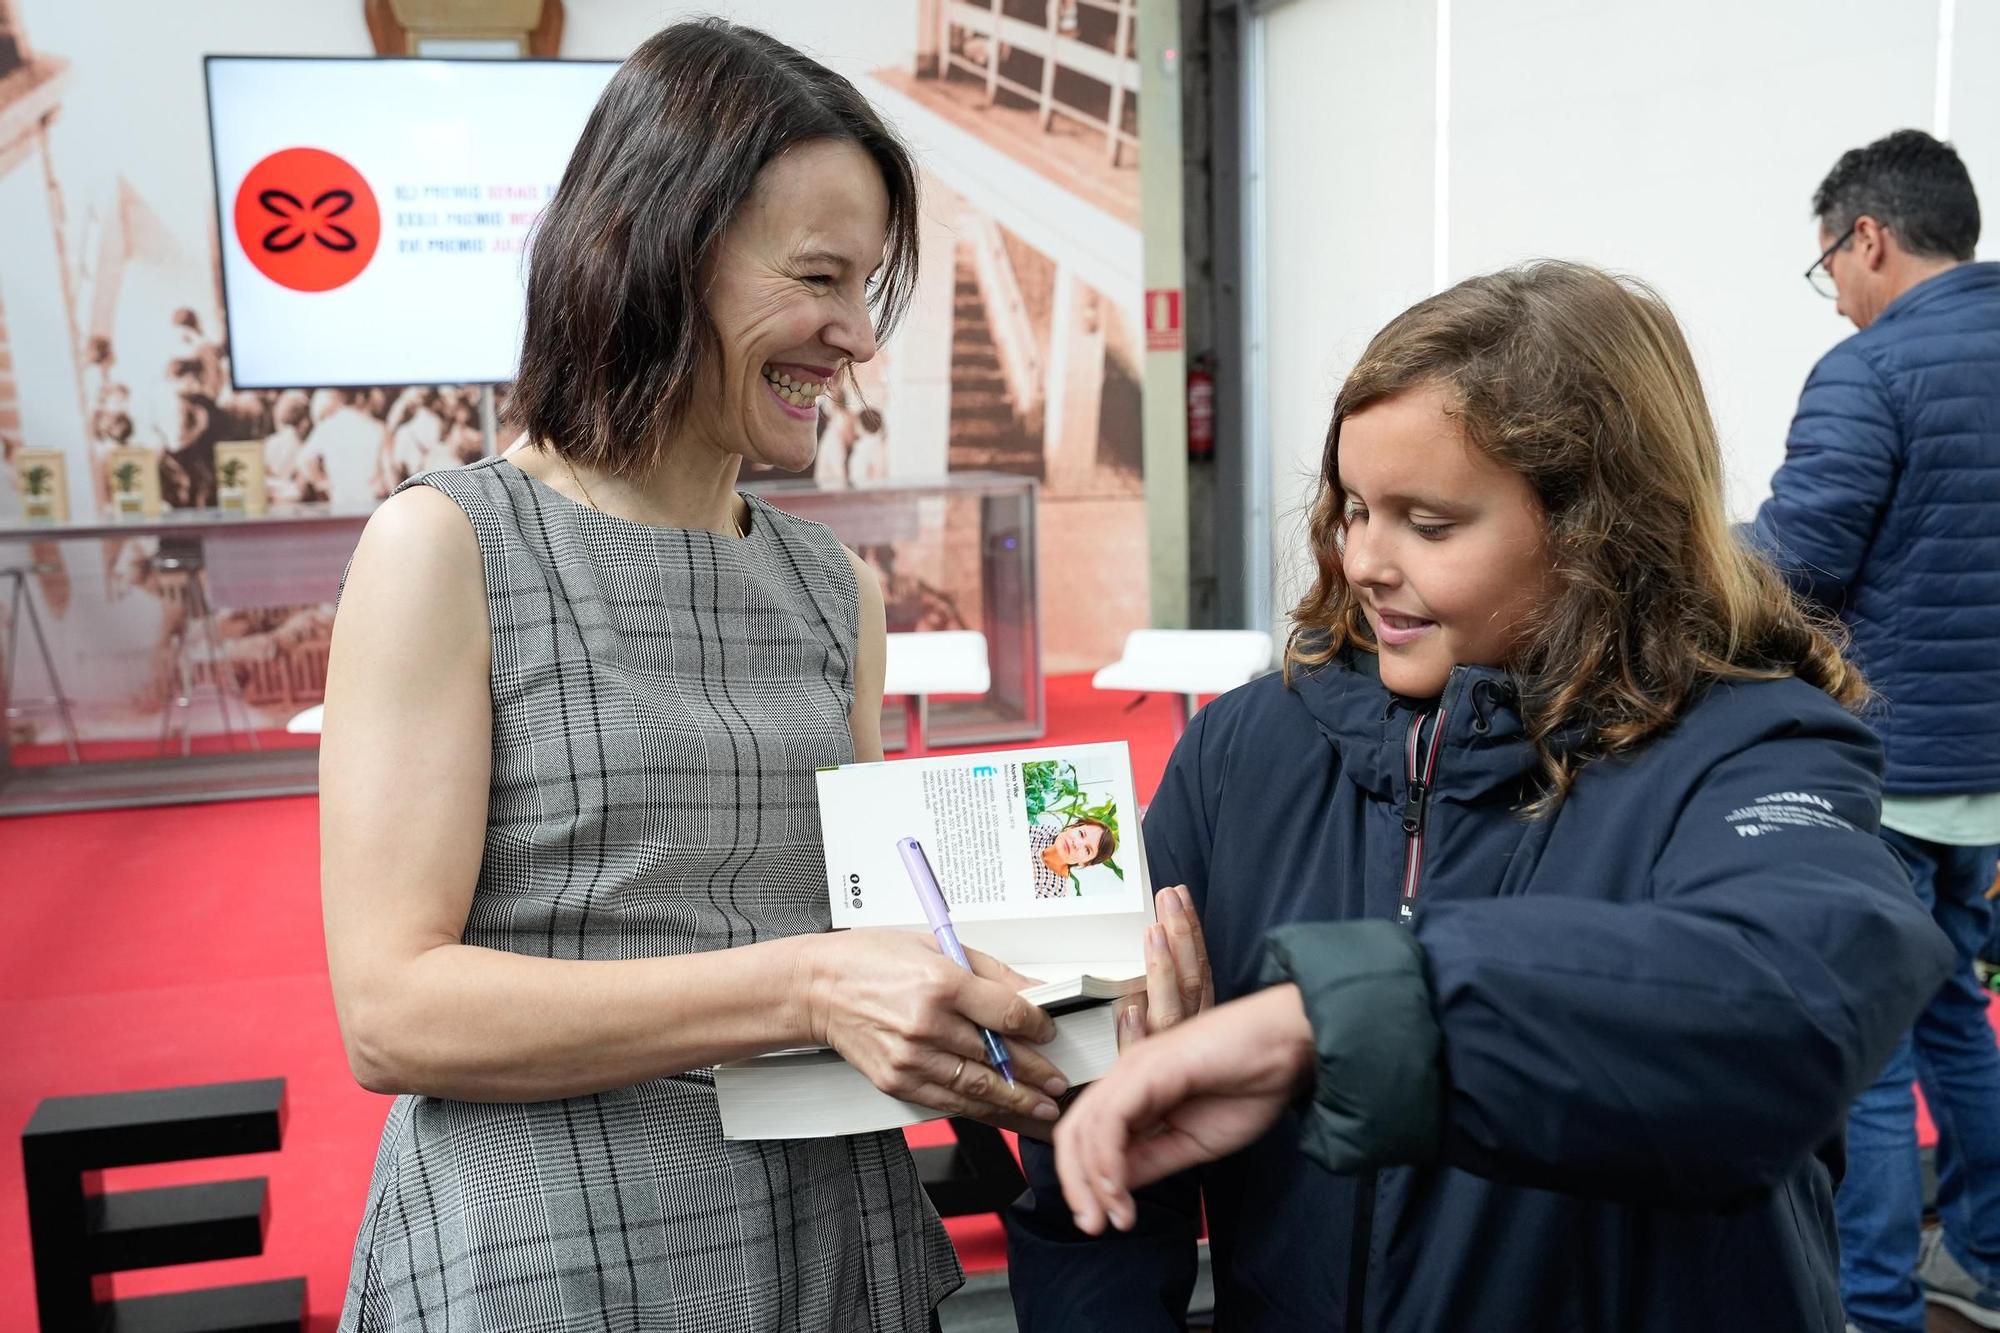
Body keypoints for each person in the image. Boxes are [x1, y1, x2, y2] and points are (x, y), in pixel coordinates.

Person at [1006, 261, 1954, 1332]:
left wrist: (1351, 1017)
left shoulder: (1751, 750)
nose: (1362, 557)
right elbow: (1100, 1175)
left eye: (1428, 521)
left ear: (1598, 526)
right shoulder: (1239, 750)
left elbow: (1790, 1002)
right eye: (1353, 507)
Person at [320, 21, 1073, 1331]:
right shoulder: (448, 544)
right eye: (820, 277)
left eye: (867, 285)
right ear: (663, 254)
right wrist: (805, 985)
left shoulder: (830, 588)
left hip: (819, 1219)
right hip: (548, 1244)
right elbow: (392, 1010)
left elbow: (848, 932)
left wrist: (1055, 987)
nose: (852, 334)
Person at [1745, 128, 2000, 1333]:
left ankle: (1877, 1307)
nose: (1835, 296)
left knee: (1873, 1053)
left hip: (1894, 774)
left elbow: (1797, 561)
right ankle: (1989, 1261)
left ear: (1867, 238)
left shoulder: (1871, 370)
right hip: (1990, 784)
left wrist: (1707, 557)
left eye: (1828, 267)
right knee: (1955, 1012)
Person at [1029, 817, 1114, 899]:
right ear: (1073, 827)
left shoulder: (1053, 891)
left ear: (1085, 863)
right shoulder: (1049, 832)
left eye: (1087, 850)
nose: (1076, 843)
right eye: (1081, 833)